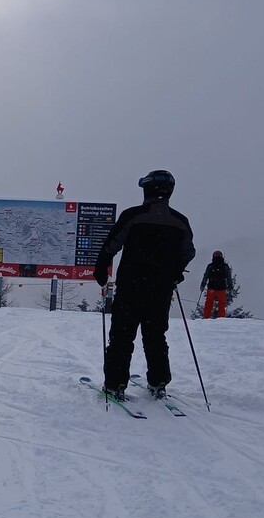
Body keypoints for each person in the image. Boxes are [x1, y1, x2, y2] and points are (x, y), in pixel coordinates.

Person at [93, 170, 195, 401]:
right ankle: (159, 382)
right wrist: (175, 272)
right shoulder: (180, 221)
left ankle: (115, 384)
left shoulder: (133, 216)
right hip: (161, 290)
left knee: (122, 336)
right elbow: (188, 252)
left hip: (131, 287)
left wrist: (101, 268)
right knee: (156, 335)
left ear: (147, 189)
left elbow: (111, 244)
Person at [200, 250, 232, 319]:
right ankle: (221, 317)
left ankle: (206, 316)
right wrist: (230, 286)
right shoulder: (225, 266)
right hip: (221, 287)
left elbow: (206, 276)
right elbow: (229, 277)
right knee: (222, 303)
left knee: (209, 303)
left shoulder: (210, 266)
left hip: (211, 287)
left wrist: (203, 285)